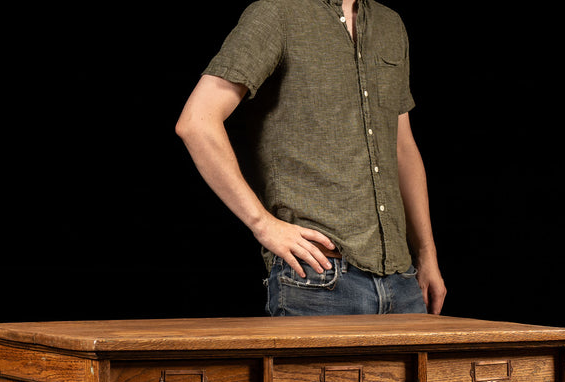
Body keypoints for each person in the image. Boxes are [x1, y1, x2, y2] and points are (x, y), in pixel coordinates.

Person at [176, 0, 446, 316]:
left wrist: (427, 255)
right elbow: (197, 122)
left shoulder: (390, 23)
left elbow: (402, 147)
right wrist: (263, 225)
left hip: (403, 283)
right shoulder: (276, 13)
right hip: (317, 281)